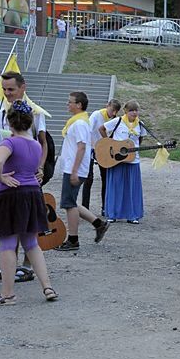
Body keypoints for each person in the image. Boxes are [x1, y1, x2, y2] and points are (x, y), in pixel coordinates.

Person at [0, 100, 58, 306]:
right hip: (32, 194)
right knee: (31, 243)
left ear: (9, 122)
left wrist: (1, 177)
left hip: (11, 195)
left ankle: (8, 295)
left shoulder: (9, 142)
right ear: (30, 122)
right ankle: (47, 286)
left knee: (8, 244)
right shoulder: (35, 144)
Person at [55, 92, 111, 251]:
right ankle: (99, 224)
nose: (67, 104)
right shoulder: (78, 122)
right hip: (73, 168)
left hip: (75, 169)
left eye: (70, 102)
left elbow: (81, 147)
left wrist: (74, 171)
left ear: (79, 105)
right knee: (70, 201)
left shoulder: (79, 124)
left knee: (68, 203)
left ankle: (73, 240)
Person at [100, 100, 147, 224]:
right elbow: (102, 128)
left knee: (132, 188)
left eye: (136, 110)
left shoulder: (140, 124)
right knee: (115, 186)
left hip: (132, 160)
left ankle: (132, 215)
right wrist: (110, 144)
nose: (134, 112)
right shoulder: (118, 121)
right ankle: (112, 214)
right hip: (116, 159)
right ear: (125, 111)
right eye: (131, 110)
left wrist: (132, 150)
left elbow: (140, 139)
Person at [82, 98, 121, 214]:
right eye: (112, 110)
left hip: (104, 150)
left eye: (116, 112)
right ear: (107, 106)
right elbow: (88, 130)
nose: (113, 113)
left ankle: (105, 207)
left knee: (106, 177)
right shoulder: (96, 115)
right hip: (91, 147)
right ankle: (85, 208)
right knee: (88, 178)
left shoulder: (115, 120)